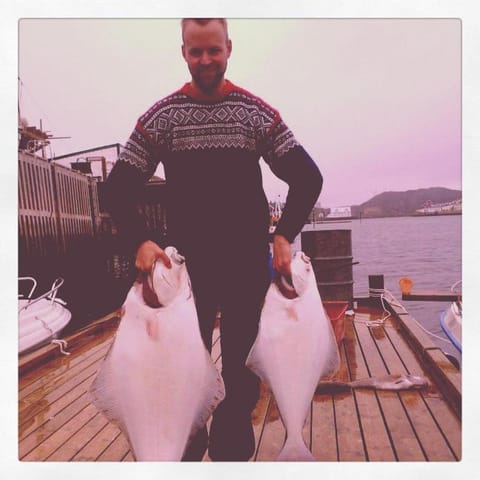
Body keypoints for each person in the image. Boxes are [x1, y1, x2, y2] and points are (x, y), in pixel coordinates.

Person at [105, 18, 323, 461]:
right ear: (183, 53)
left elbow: (307, 177)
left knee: (242, 374)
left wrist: (284, 235)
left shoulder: (254, 113)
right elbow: (117, 189)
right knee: (179, 369)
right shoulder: (161, 118)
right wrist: (141, 240)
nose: (205, 60)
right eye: (196, 51)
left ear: (229, 49)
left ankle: (232, 455)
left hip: (245, 263)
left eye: (213, 51)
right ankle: (182, 451)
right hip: (186, 272)